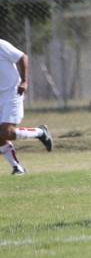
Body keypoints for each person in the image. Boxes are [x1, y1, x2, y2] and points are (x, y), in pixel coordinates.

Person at [0, 39, 53, 175]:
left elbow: (22, 57)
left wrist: (24, 81)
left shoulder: (1, 45)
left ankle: (40, 132)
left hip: (12, 92)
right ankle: (17, 168)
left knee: (7, 132)